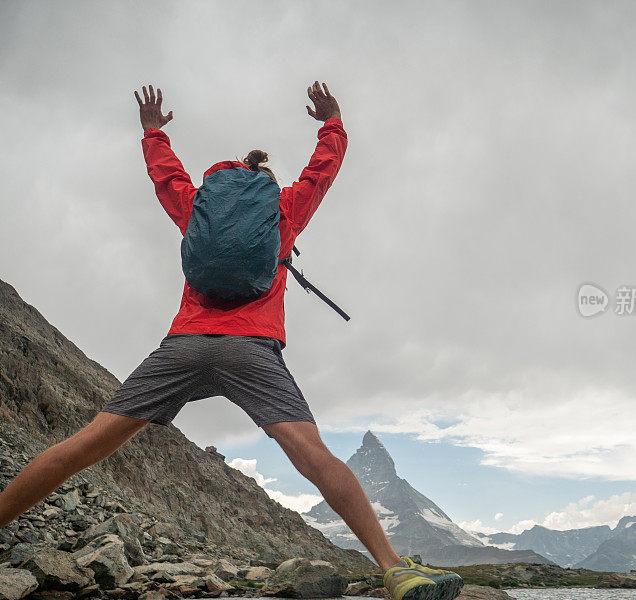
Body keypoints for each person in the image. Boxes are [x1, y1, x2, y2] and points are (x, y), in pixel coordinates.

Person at [0, 82, 463, 600]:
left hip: (186, 343)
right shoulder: (284, 210)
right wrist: (331, 123)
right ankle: (395, 569)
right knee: (312, 455)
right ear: (264, 185)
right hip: (252, 348)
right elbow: (322, 171)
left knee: (85, 444)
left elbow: (164, 175)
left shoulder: (197, 206)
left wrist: (153, 131)